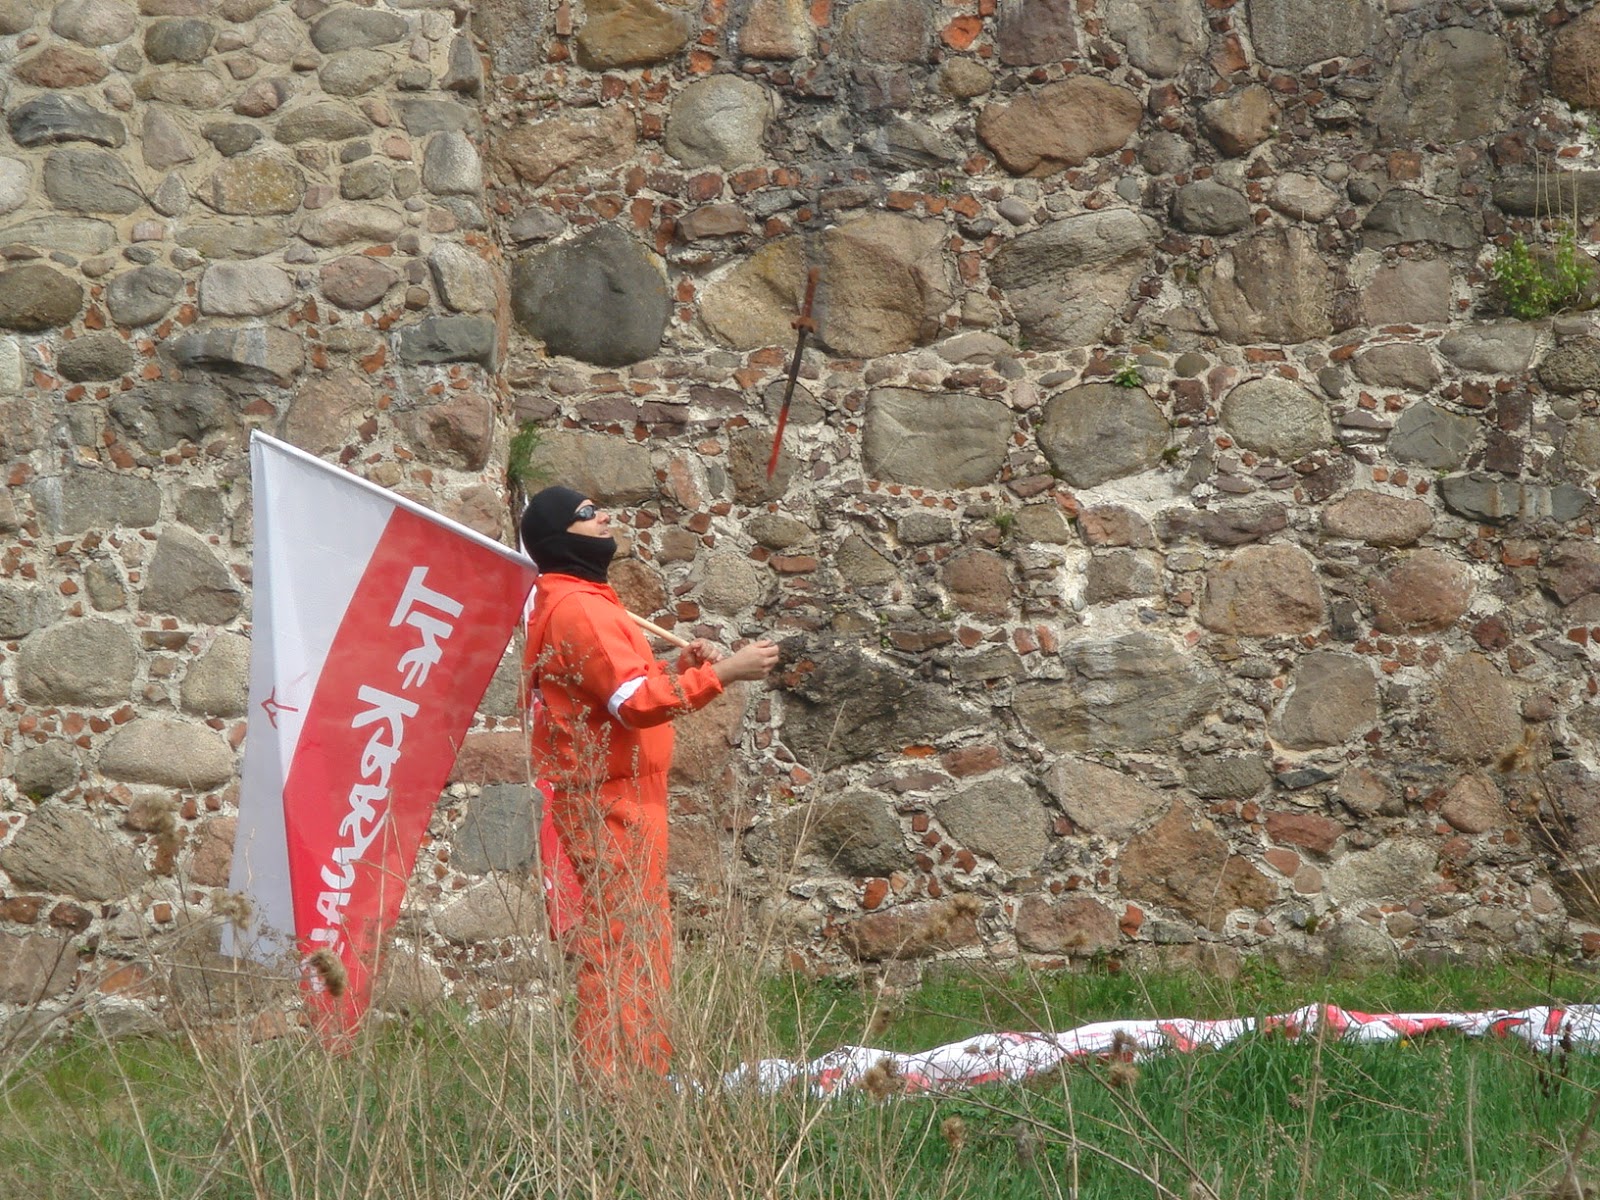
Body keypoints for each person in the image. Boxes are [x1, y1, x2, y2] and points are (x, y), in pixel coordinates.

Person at [519, 486, 779, 1082]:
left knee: (640, 937)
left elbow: (616, 692)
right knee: (621, 942)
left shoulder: (584, 600)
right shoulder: (580, 609)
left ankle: (642, 1076)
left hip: (627, 794)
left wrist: (680, 669)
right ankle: (615, 1084)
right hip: (611, 801)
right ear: (561, 536)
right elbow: (635, 706)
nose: (603, 517)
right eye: (587, 514)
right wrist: (724, 673)